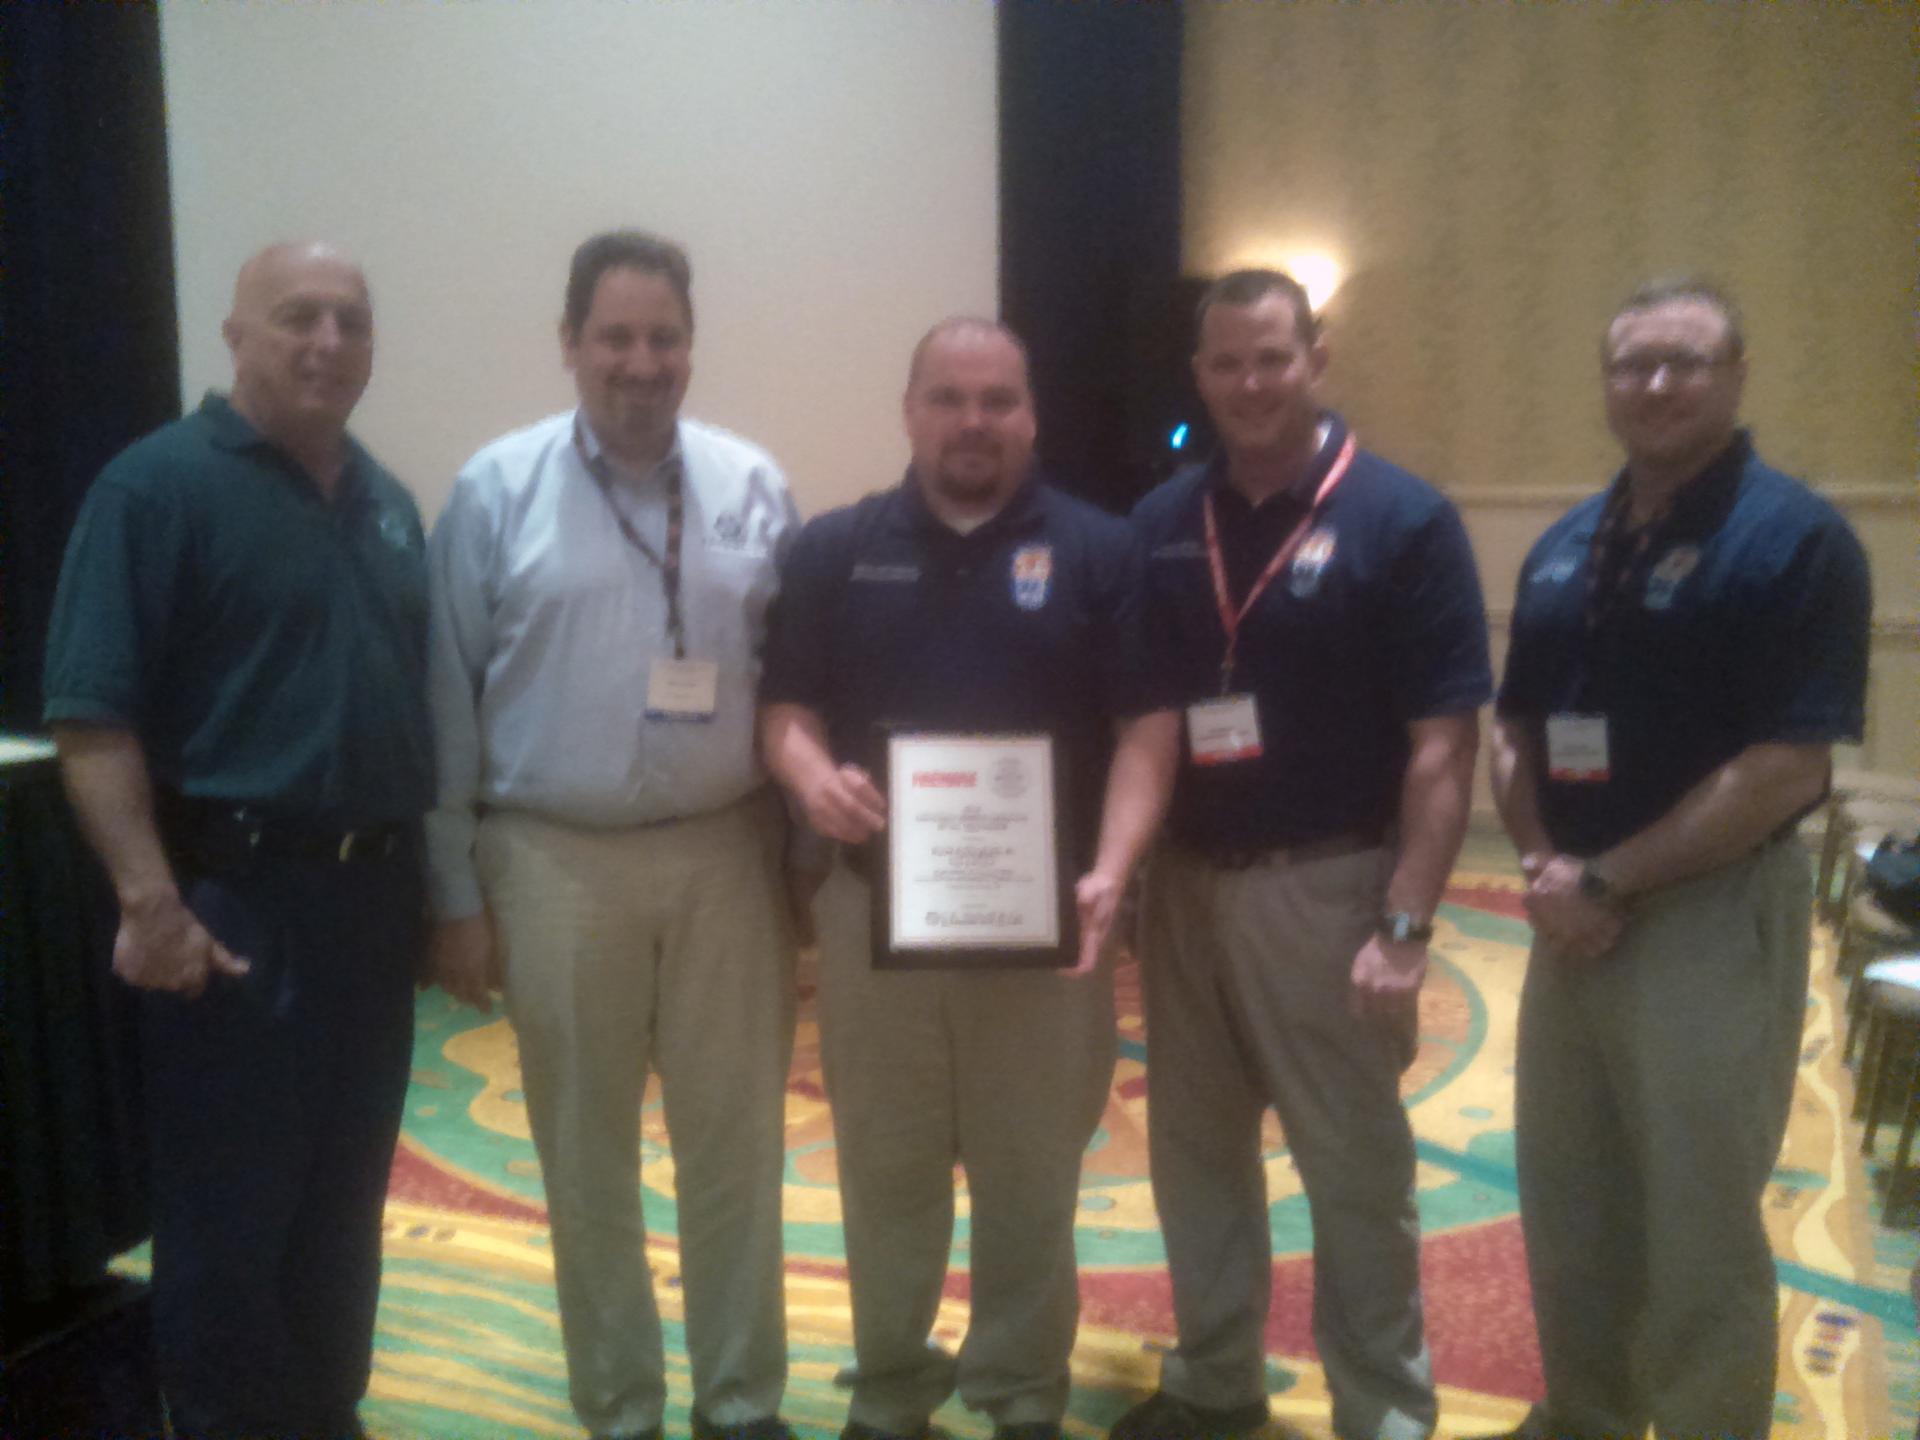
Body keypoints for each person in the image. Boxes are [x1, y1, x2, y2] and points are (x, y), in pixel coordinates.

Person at [759, 317, 1182, 1440]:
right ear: (910, 411)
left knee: (1031, 1178)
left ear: (1031, 415)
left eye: (998, 399)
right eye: (948, 397)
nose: (973, 421)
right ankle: (893, 1388)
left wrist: (1114, 865)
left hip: (1045, 932)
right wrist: (810, 781)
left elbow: (1148, 729)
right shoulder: (836, 547)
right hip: (875, 921)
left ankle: (1023, 1392)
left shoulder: (1100, 550)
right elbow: (787, 714)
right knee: (885, 1170)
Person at [42, 242, 433, 1439]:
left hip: (369, 915)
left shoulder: (386, 502)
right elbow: (90, 716)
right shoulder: (153, 490)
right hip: (231, 907)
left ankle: (326, 1411)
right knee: (227, 1216)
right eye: (297, 317)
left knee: (343, 1199)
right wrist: (151, 903)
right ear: (235, 335)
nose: (327, 342)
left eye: (351, 321)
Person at [422, 230, 800, 1440]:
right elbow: (445, 698)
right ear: (572, 344)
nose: (643, 362)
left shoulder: (751, 484)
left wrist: (801, 863)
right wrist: (455, 894)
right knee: (587, 1166)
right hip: (552, 858)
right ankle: (622, 1409)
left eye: (665, 337)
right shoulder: (495, 488)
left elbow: (792, 682)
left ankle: (741, 1404)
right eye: (617, 337)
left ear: (691, 345)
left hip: (723, 853)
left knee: (736, 1153)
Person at [1483, 279, 1871, 1440]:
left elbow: (1786, 770)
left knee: (1698, 1218)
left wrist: (1609, 880)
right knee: (1569, 1195)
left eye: (1683, 363)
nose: (1654, 386)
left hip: (1706, 915)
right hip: (1573, 912)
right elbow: (1516, 731)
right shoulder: (1567, 544)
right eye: (1631, 365)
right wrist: (1553, 866)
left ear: (1736, 376)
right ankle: (1587, 1416)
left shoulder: (1795, 539)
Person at [1118, 269, 1492, 1440]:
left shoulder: (1402, 518)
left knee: (1354, 1173)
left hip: (1329, 889)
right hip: (1184, 891)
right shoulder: (1162, 524)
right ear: (1200, 377)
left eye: (1273, 357)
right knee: (1195, 1160)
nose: (1250, 383)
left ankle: (1380, 1409)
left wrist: (1408, 923)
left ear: (1316, 357)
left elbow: (1444, 748)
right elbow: (1141, 718)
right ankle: (1215, 1380)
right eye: (1226, 363)